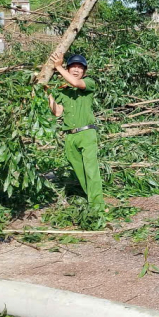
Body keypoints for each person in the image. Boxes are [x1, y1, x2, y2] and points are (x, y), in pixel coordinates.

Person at [47, 52, 105, 211]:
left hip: (86, 133)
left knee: (91, 170)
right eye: (73, 67)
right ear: (68, 69)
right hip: (70, 136)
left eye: (80, 68)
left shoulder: (88, 83)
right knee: (80, 171)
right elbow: (57, 112)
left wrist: (58, 67)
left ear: (84, 72)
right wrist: (48, 94)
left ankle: (98, 207)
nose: (76, 70)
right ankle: (91, 199)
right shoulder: (63, 91)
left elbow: (75, 82)